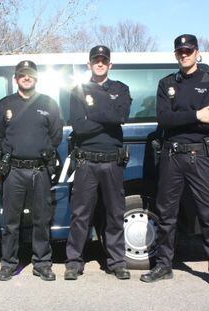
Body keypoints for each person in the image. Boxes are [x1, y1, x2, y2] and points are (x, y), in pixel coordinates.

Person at [140, 34, 209, 295]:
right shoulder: (166, 83)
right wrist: (194, 114)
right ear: (176, 54)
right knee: (166, 215)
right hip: (171, 156)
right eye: (180, 51)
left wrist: (184, 117)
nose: (184, 55)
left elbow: (208, 119)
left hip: (199, 156)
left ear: (197, 52)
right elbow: (164, 119)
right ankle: (163, 266)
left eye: (188, 50)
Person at [0, 60, 63, 281]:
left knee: (41, 220)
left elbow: (56, 135)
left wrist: (42, 150)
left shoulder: (48, 103)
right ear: (16, 78)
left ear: (36, 77)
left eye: (30, 74)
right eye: (22, 74)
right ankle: (9, 263)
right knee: (11, 222)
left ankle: (42, 263)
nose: (26, 77)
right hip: (13, 171)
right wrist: (9, 151)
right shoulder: (4, 104)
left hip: (40, 170)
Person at [64, 45, 131, 280]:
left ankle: (117, 262)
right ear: (89, 64)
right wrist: (108, 118)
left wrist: (92, 114)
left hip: (112, 162)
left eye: (104, 60)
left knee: (114, 214)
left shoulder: (121, 89)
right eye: (96, 60)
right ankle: (74, 261)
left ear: (110, 64)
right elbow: (79, 126)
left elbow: (121, 116)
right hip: (86, 162)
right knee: (80, 214)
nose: (100, 63)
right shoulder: (78, 90)